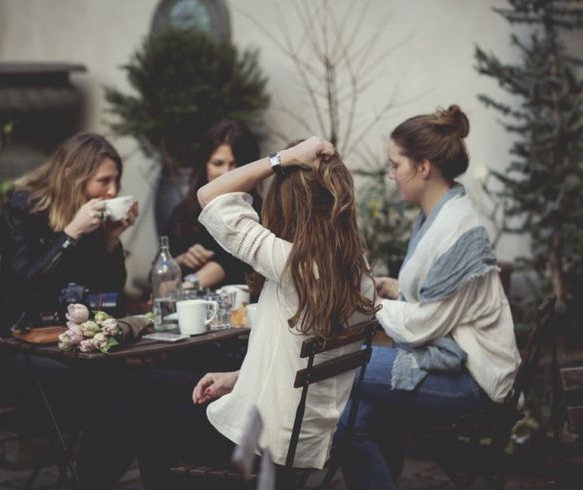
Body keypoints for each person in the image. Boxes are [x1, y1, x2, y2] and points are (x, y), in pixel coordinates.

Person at [101, 137, 377, 490]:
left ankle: (88, 480)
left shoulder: (292, 263)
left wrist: (284, 158)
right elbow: (296, 355)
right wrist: (237, 377)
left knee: (145, 414)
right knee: (153, 383)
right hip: (301, 437)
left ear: (288, 204)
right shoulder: (359, 272)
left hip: (261, 444)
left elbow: (209, 195)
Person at [335, 105, 521, 490]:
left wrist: (368, 302)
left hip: (475, 381)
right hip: (454, 361)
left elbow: (423, 324)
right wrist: (394, 289)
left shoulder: (457, 229)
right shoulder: (440, 212)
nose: (390, 175)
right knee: (353, 418)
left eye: (395, 165)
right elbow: (439, 299)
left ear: (423, 167)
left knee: (339, 369)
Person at [0, 132, 138, 482]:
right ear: (73, 178)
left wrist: (110, 241)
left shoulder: (94, 223)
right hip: (8, 348)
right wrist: (70, 235)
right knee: (106, 389)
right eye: (103, 181)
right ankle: (90, 480)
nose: (112, 190)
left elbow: (109, 301)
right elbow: (22, 282)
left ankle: (93, 480)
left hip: (63, 347)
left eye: (116, 181)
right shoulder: (24, 207)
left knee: (130, 387)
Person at [165, 120, 262, 290]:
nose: (226, 174)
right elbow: (158, 270)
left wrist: (189, 285)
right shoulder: (183, 214)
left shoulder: (262, 211)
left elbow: (236, 262)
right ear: (205, 165)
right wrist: (183, 259)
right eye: (218, 163)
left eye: (236, 164)